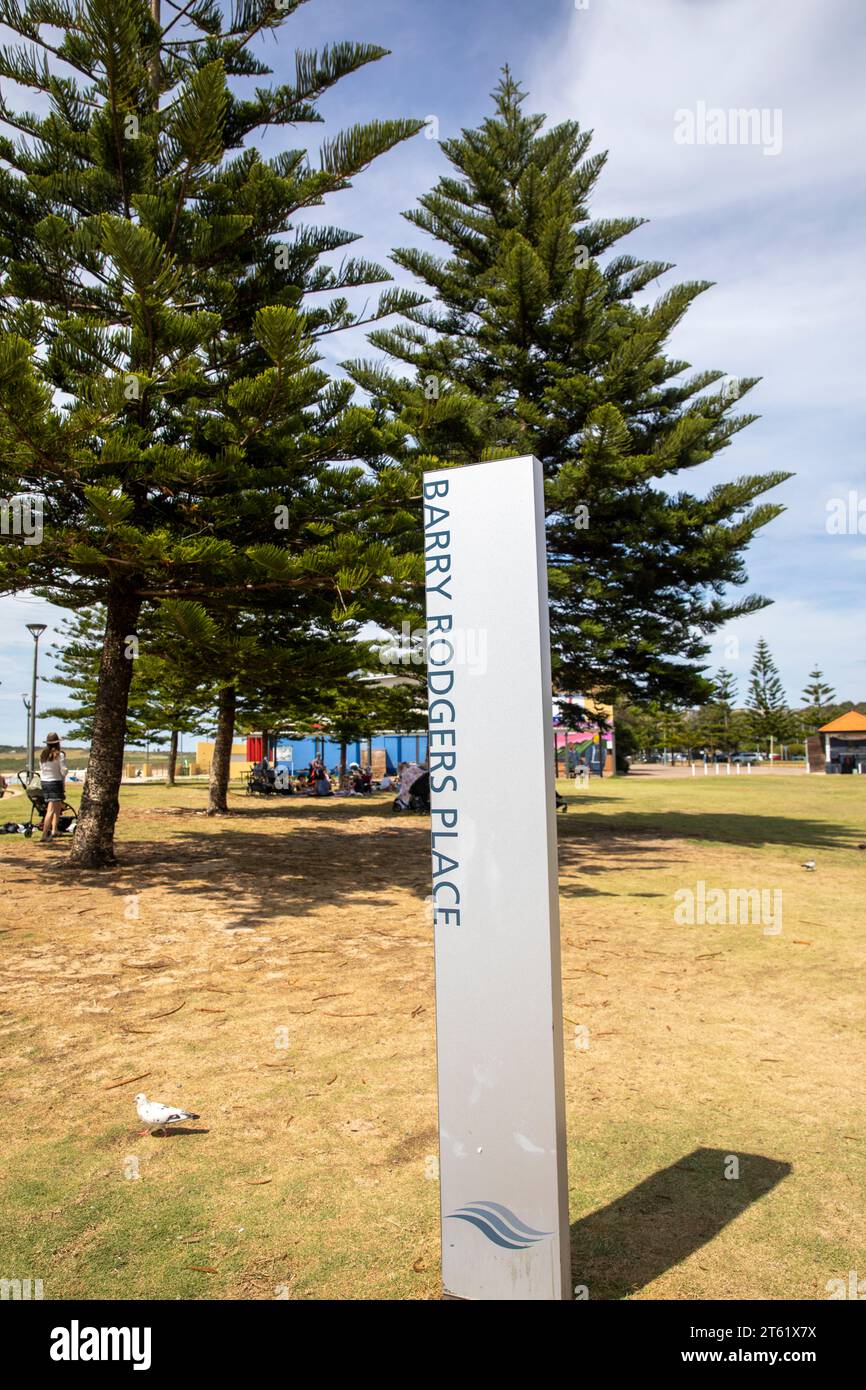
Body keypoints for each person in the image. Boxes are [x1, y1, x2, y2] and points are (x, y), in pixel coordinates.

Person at [38, 732, 67, 843]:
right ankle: (44, 834)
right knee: (51, 809)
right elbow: (63, 770)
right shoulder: (60, 755)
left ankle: (55, 830)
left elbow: (42, 769)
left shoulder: (43, 755)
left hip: (45, 782)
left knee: (57, 806)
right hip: (55, 782)